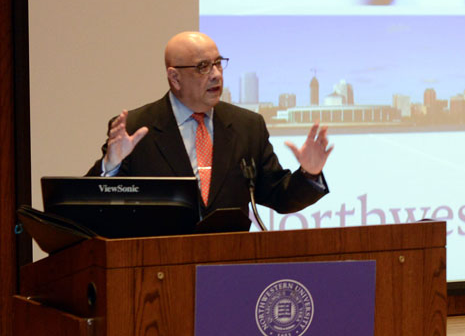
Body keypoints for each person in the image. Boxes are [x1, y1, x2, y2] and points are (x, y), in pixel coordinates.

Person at [86, 31, 332, 222]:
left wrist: (309, 173)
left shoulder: (247, 126)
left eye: (218, 63)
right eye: (203, 67)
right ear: (174, 77)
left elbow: (279, 196)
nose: (216, 74)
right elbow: (90, 207)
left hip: (229, 268)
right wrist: (112, 166)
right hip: (160, 271)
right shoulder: (137, 127)